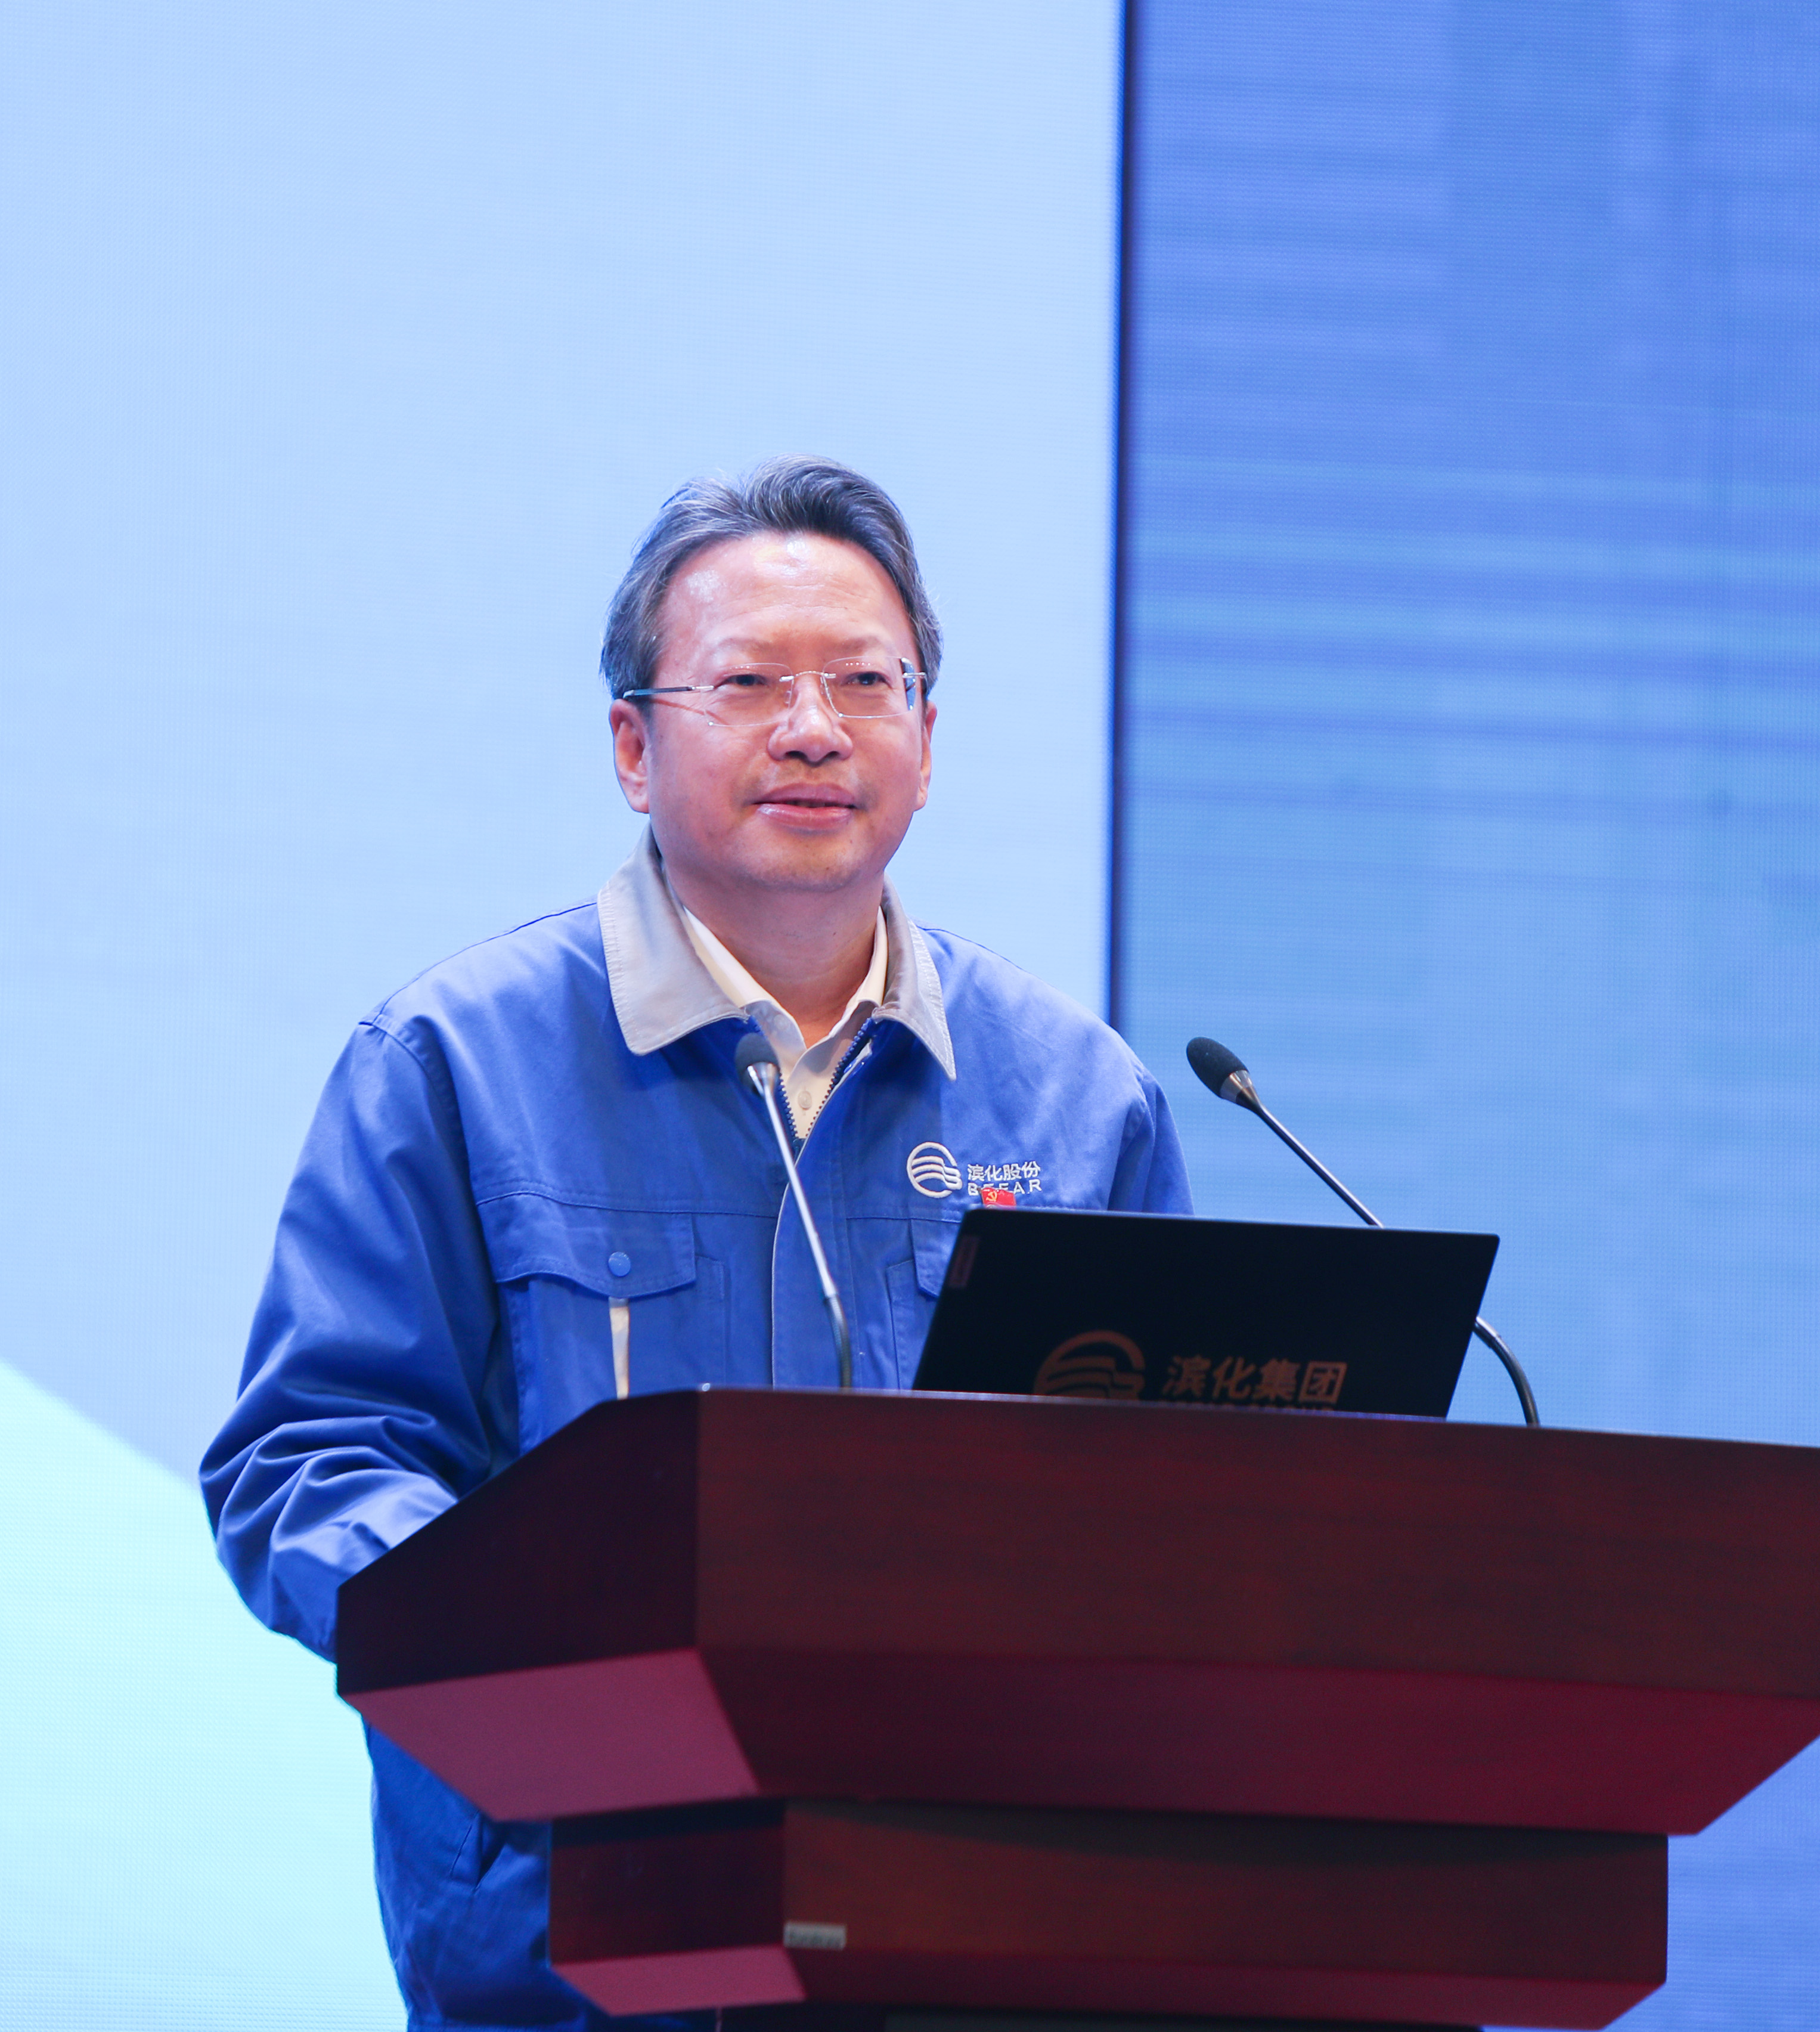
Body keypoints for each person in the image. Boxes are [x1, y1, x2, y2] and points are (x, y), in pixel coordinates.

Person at [200, 456, 1192, 2028]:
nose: (813, 728)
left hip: (975, 1938)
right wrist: (540, 1650)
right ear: (631, 744)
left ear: (927, 742)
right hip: (573, 1931)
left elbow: (1180, 1513)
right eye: (747, 683)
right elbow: (309, 1460)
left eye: (864, 683)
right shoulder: (454, 1063)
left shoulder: (1080, 1095)